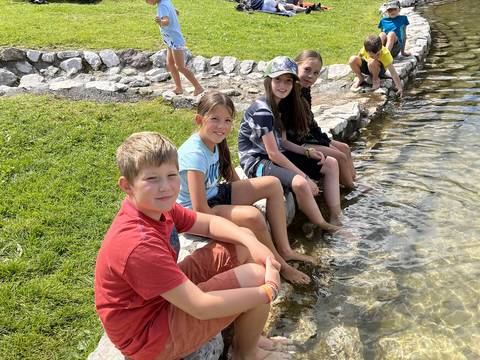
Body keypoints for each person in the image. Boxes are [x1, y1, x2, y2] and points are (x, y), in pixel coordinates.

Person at [94, 132, 292, 360]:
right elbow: (201, 306)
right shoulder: (138, 244)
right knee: (257, 277)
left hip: (161, 298)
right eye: (152, 179)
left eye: (171, 175)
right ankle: (245, 352)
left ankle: (249, 335)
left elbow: (208, 224)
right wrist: (267, 291)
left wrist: (250, 241)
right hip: (149, 336)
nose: (165, 187)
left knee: (242, 241)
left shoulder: (157, 208)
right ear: (127, 186)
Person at [177, 91, 313, 284]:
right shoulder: (195, 154)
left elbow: (229, 173)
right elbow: (200, 209)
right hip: (195, 213)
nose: (222, 126)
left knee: (273, 184)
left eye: (227, 120)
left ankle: (285, 250)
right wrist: (237, 214)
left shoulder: (215, 140)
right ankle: (281, 265)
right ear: (200, 119)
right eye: (214, 119)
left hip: (214, 196)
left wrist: (244, 192)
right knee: (253, 216)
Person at [238, 56, 343, 232]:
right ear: (268, 81)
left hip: (275, 156)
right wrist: (306, 177)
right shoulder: (262, 110)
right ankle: (323, 224)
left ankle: (336, 215)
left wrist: (307, 152)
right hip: (257, 162)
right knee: (300, 184)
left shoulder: (280, 106)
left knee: (330, 163)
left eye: (288, 81)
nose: (283, 86)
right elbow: (273, 154)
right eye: (278, 79)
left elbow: (284, 142)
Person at [291, 50, 356, 188]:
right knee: (340, 157)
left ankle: (352, 181)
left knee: (344, 148)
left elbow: (311, 123)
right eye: (307, 70)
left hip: (309, 136)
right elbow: (295, 133)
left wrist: (324, 140)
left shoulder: (304, 89)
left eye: (315, 73)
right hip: (299, 143)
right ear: (295, 66)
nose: (310, 76)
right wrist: (323, 143)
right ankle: (351, 189)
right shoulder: (291, 93)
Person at [146, 0, 204, 96]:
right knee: (170, 63)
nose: (146, 2)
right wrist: (174, 11)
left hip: (175, 40)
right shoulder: (165, 1)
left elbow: (167, 21)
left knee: (180, 67)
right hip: (170, 39)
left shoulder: (162, 6)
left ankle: (198, 87)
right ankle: (178, 88)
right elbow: (175, 11)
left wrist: (160, 22)